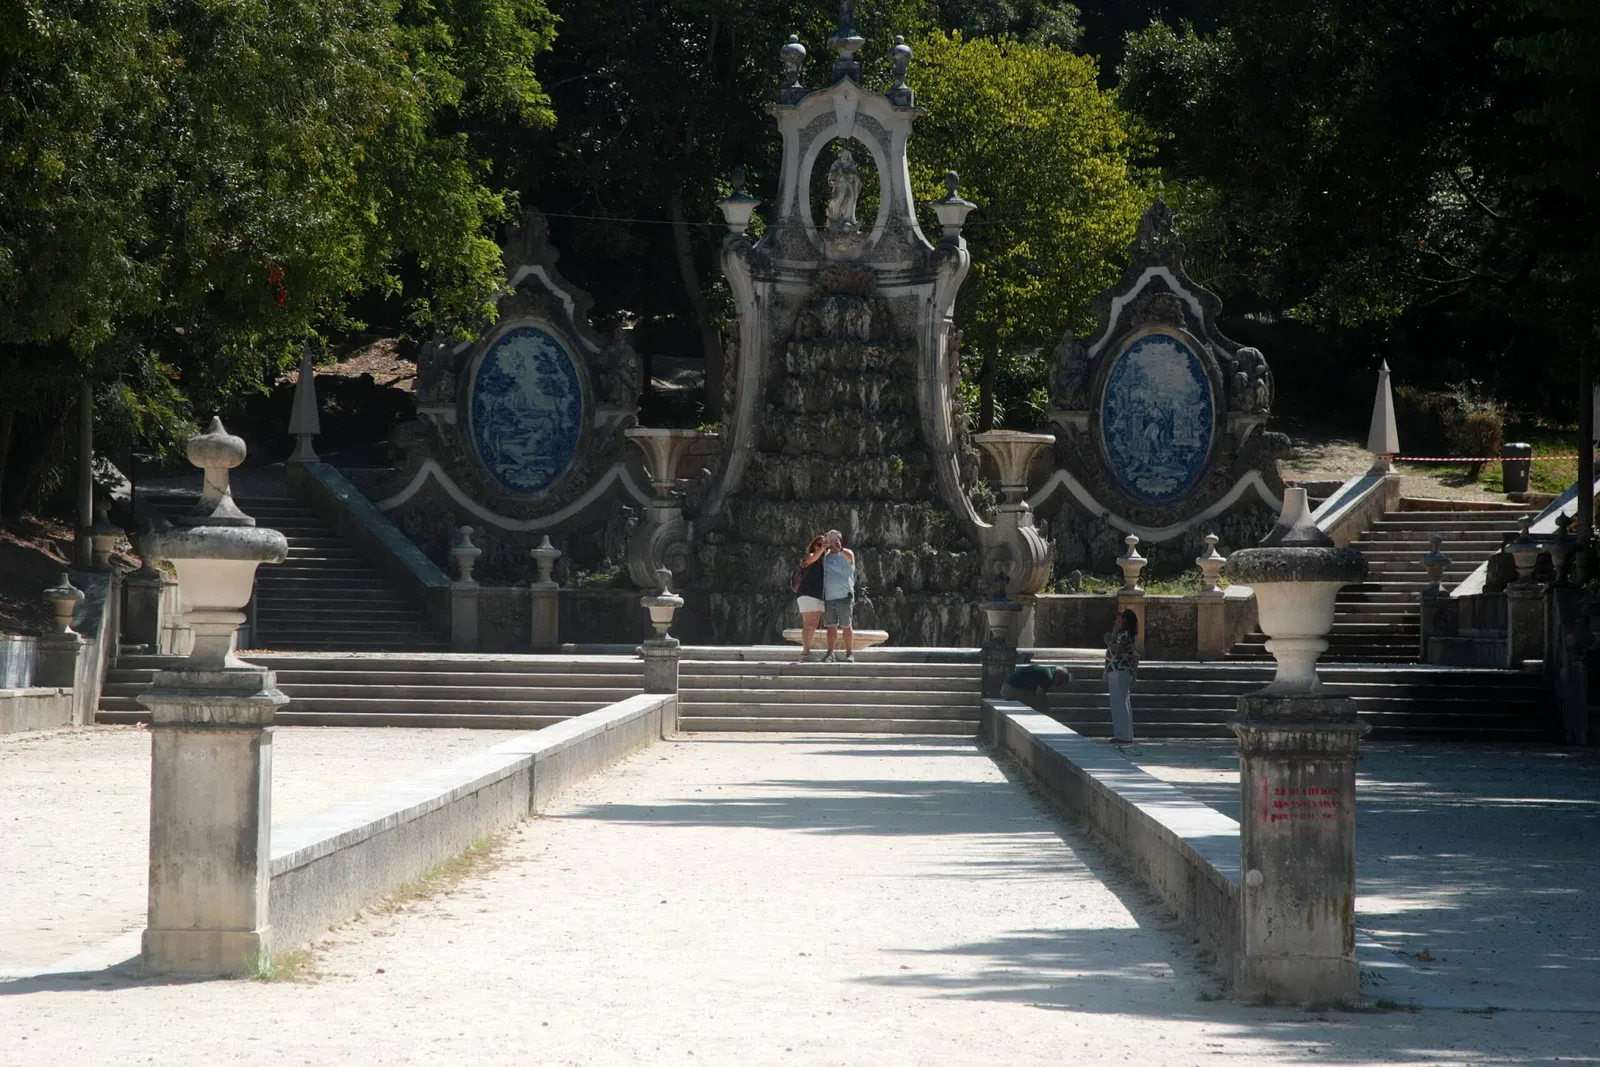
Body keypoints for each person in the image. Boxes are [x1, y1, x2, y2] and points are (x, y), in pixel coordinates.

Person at [820, 529, 856, 663]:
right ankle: (830, 654)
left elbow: (850, 558)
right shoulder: (826, 557)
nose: (832, 543)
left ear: (840, 540)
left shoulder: (847, 553)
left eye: (835, 540)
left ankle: (850, 653)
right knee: (831, 626)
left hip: (844, 597)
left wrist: (840, 549)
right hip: (829, 597)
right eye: (830, 540)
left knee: (847, 626)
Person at [1105, 608, 1140, 744]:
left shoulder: (1124, 634)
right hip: (1118, 669)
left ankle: (1122, 735)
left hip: (1119, 669)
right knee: (1121, 701)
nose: (1118, 620)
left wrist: (1108, 642)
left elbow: (1118, 648)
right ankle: (1124, 734)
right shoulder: (1122, 633)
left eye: (1121, 618)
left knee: (1119, 702)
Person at [793, 535, 828, 661]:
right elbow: (810, 560)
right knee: (809, 623)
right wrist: (821, 549)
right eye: (818, 544)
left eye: (824, 544)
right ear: (813, 546)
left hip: (816, 595)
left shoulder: (824, 561)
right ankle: (806, 652)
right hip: (807, 593)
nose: (821, 547)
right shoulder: (809, 556)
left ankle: (807, 651)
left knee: (813, 623)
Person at [1001, 663, 1071, 714]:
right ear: (1058, 676)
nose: (1058, 685)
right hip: (1010, 690)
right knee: (1037, 700)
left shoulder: (1047, 671)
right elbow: (1039, 694)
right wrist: (1046, 707)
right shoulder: (1048, 677)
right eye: (1060, 682)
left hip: (1007, 687)